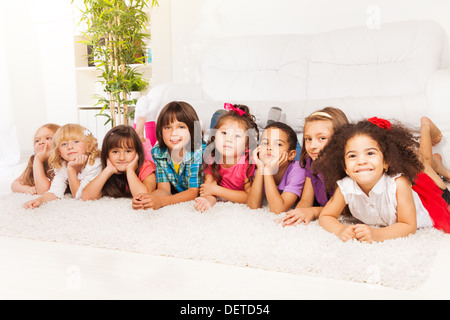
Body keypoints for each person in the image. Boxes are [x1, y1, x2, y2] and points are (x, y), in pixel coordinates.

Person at [316, 117, 450, 243]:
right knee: (422, 166)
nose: (361, 161)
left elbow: (408, 225)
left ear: (386, 162)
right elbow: (326, 216)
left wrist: (377, 234)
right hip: (408, 189)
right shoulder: (346, 187)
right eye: (352, 156)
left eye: (370, 153)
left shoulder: (400, 183)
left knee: (422, 163)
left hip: (431, 201)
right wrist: (340, 230)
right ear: (345, 167)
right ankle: (437, 164)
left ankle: (426, 126)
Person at [281, 107, 349, 226]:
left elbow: (345, 211)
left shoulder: (348, 168)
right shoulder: (311, 161)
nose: (312, 145)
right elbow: (306, 199)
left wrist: (314, 211)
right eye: (308, 139)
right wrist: (297, 214)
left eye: (322, 138)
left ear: (340, 140)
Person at [131, 101, 204, 210]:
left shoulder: (198, 152)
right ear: (161, 131)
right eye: (168, 127)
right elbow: (164, 189)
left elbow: (193, 192)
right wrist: (147, 198)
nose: (174, 133)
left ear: (192, 130)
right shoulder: (158, 152)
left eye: (181, 127)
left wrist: (161, 202)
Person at [194, 103, 259, 212]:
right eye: (224, 133)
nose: (228, 139)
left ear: (247, 145)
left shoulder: (248, 162)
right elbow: (209, 189)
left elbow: (249, 197)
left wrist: (217, 190)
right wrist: (208, 201)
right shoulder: (212, 157)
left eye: (237, 136)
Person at [23, 124, 101, 209]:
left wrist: (71, 169)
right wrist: (40, 200)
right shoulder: (62, 165)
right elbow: (55, 191)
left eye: (76, 141)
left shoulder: (94, 163)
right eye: (64, 144)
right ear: (59, 151)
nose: (70, 147)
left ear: (88, 146)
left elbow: (79, 196)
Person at [81, 124, 156, 200]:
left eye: (128, 151)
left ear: (137, 153)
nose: (122, 158)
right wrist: (108, 170)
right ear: (107, 154)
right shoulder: (107, 168)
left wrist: (130, 170)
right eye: (115, 152)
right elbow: (86, 197)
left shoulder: (146, 167)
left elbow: (143, 196)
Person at [247, 121, 306, 214]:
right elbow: (252, 206)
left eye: (278, 144)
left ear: (291, 155)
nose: (269, 148)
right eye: (265, 143)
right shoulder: (260, 167)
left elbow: (278, 209)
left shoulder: (298, 170)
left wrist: (267, 171)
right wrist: (261, 170)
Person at [11, 123, 60, 195]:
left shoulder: (61, 164)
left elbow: (44, 191)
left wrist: (38, 159)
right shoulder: (34, 161)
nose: (41, 142)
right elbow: (15, 184)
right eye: (37, 140)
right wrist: (27, 189)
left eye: (48, 138)